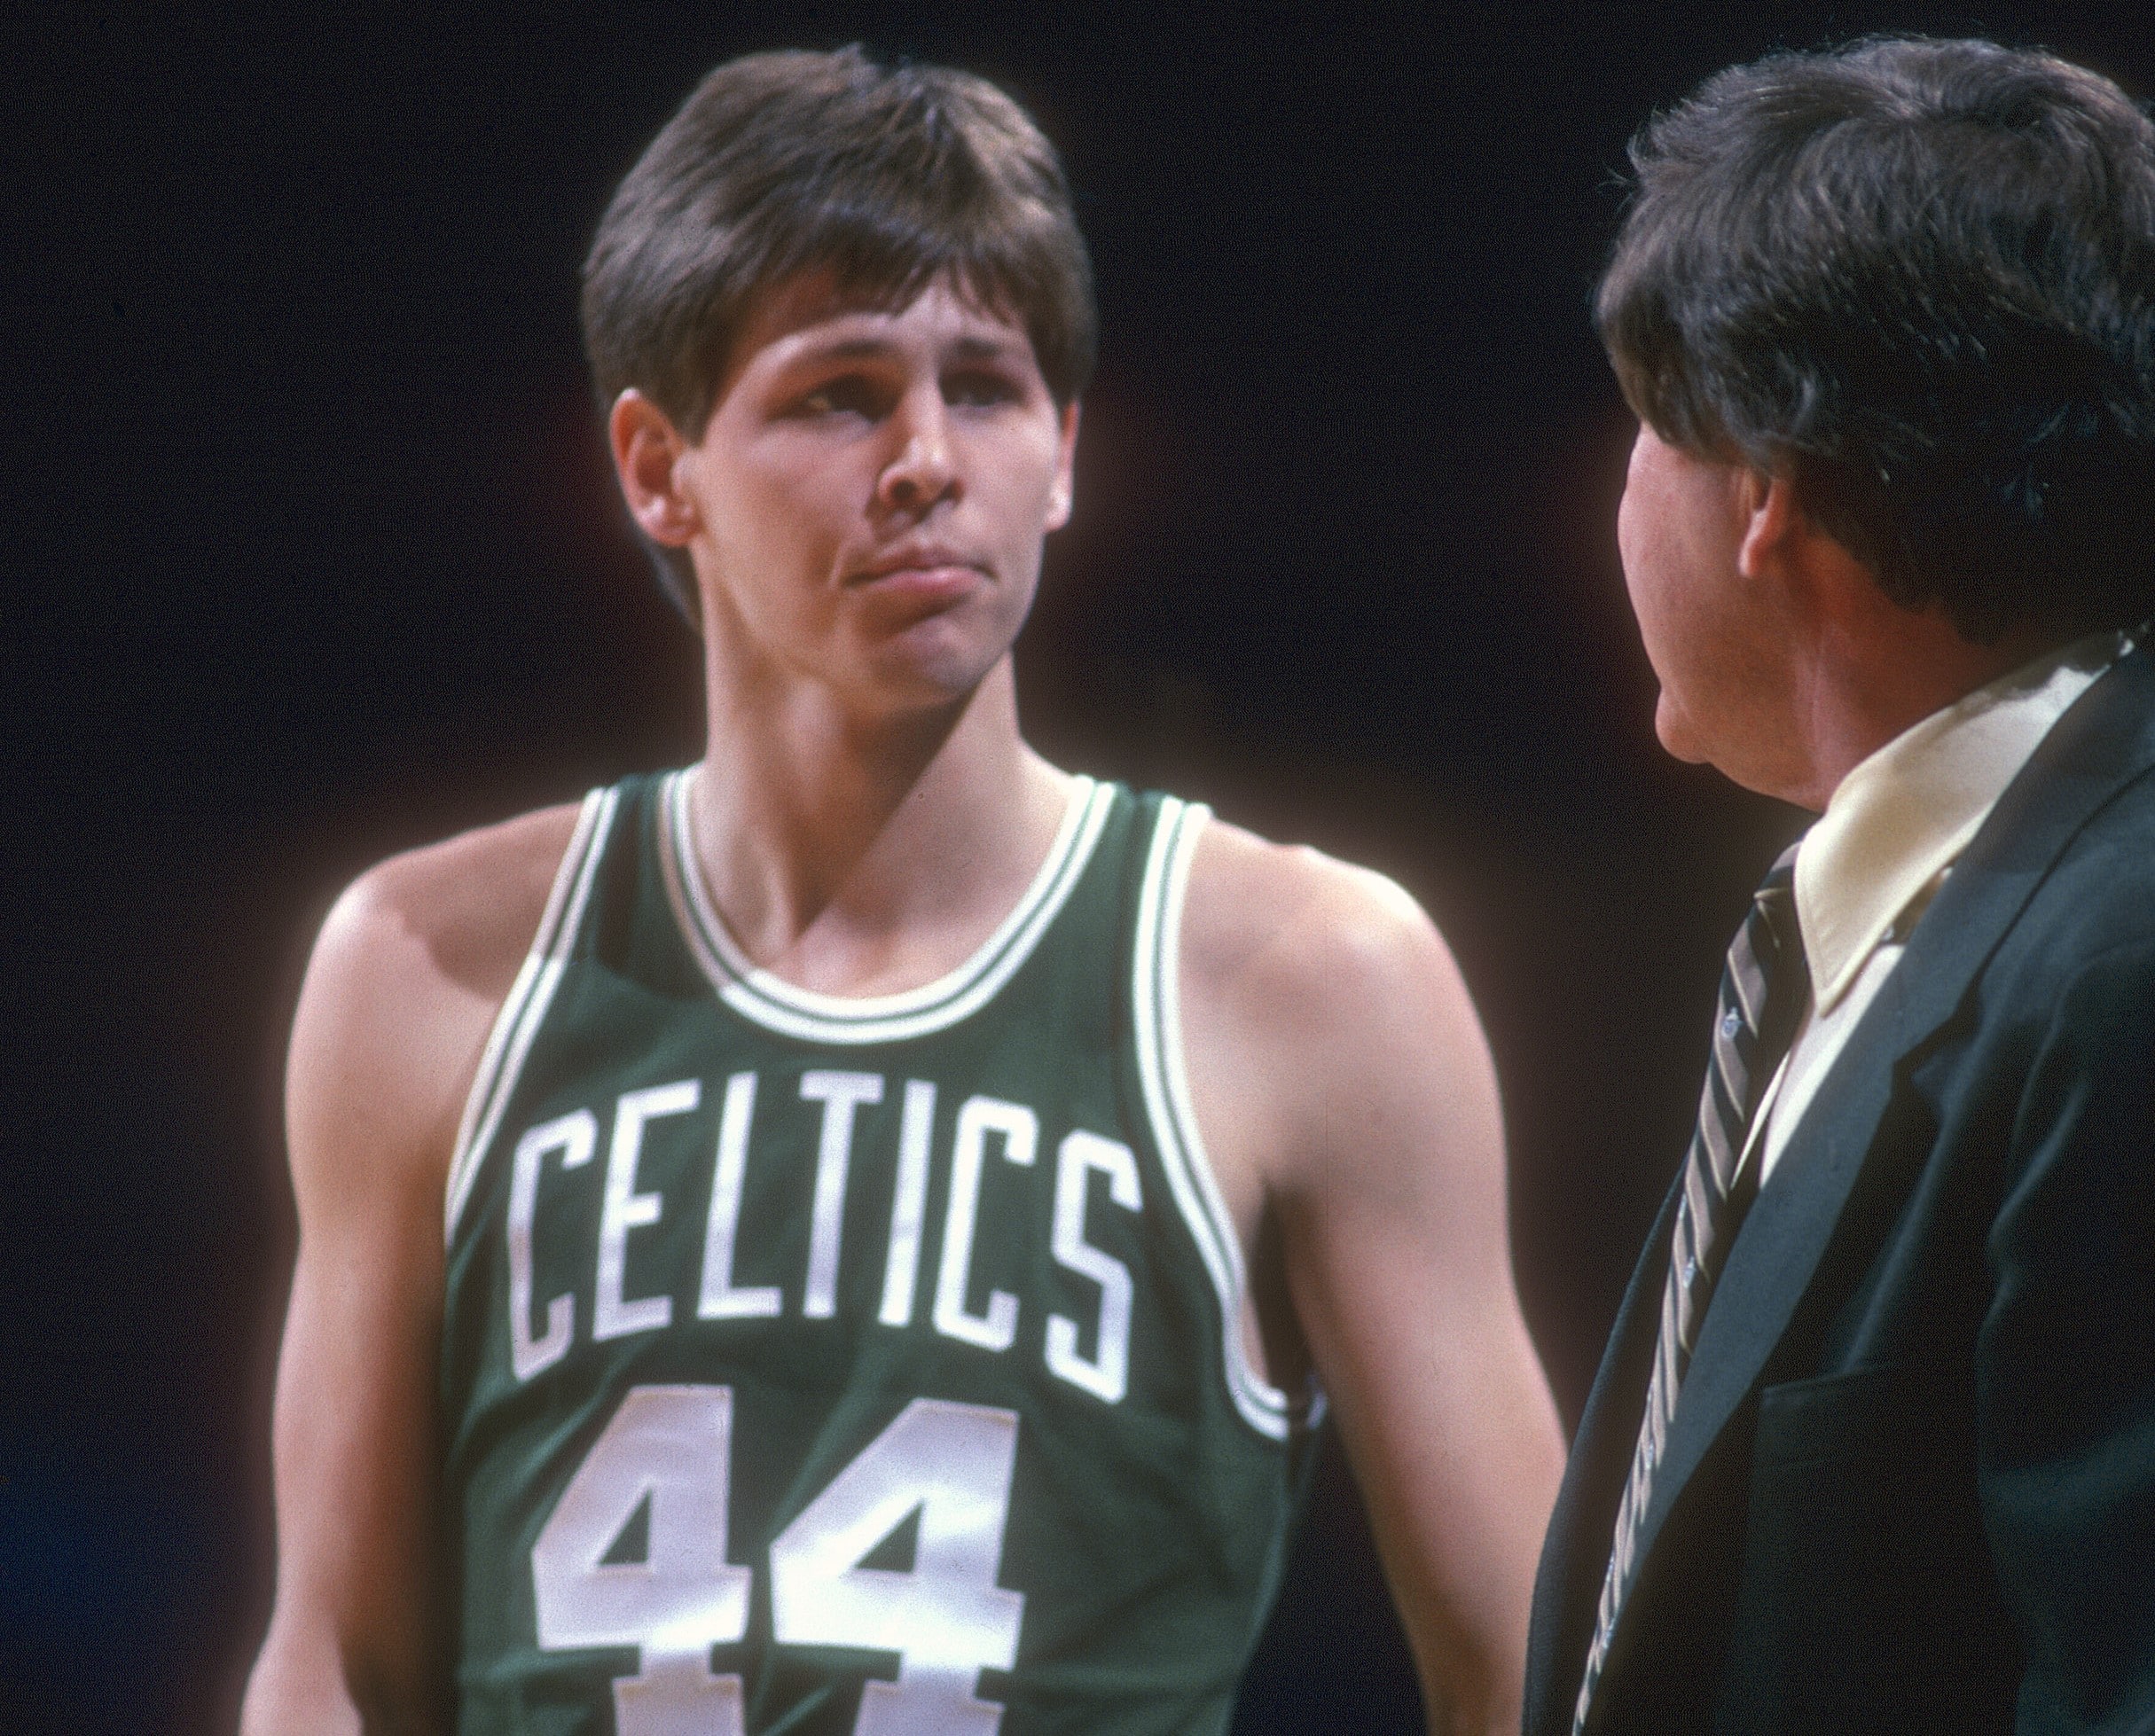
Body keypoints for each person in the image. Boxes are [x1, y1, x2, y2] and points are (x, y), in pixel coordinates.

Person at [239, 46, 1563, 1736]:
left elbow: (1534, 1671)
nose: (928, 458)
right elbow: (334, 1664)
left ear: (1065, 452)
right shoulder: (425, 967)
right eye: (839, 393)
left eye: (987, 386)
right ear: (658, 466)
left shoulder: (1309, 973)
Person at [1524, 35, 2155, 1736]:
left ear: (1764, 490)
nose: (1622, 488)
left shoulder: (2121, 955)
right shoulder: (1945, 914)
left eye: (1644, 423)